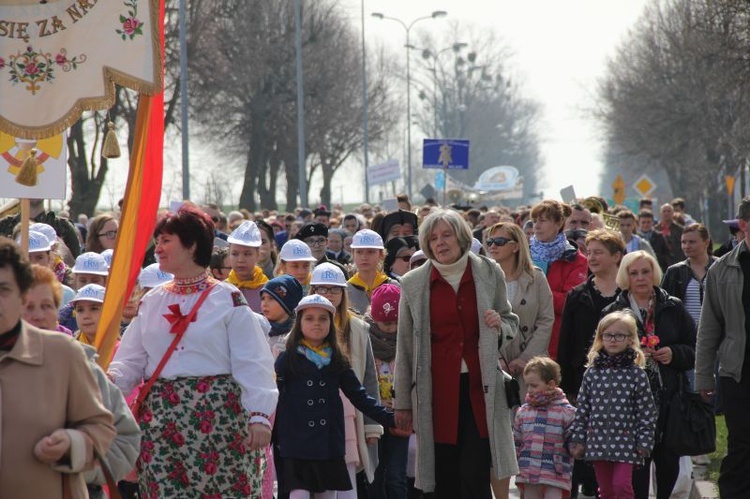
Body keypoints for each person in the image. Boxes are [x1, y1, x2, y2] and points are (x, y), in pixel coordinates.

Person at [108, 204, 278, 497]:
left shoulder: (227, 298)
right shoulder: (153, 302)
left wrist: (260, 415)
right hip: (162, 426)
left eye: (166, 241)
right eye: (158, 240)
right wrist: (104, 384)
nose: (158, 248)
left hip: (220, 422)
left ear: (192, 245)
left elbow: (252, 360)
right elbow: (131, 361)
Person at [394, 209, 519, 498]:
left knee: (475, 476)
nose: (440, 242)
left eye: (447, 235)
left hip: (480, 391)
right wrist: (402, 403)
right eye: (433, 237)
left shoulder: (489, 271)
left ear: (462, 237)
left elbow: (511, 320)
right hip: (435, 393)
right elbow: (405, 346)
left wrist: (500, 326)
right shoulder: (413, 283)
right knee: (443, 477)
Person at [0, 237, 115, 498]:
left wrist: (71, 445)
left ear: (21, 294)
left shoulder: (62, 354)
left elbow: (101, 428)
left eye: (4, 289)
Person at [274, 294, 395, 499]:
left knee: (327, 495)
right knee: (298, 495)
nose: (317, 324)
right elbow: (274, 396)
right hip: (296, 442)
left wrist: (391, 418)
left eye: (323, 318)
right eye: (309, 318)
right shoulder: (287, 358)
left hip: (328, 442)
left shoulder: (337, 359)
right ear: (299, 323)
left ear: (331, 322)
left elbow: (359, 396)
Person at [602, 251, 696, 499]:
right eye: (634, 273)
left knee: (667, 463)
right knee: (636, 470)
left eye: (645, 271)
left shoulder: (672, 306)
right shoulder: (614, 310)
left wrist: (674, 353)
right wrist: (630, 355)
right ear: (625, 277)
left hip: (669, 399)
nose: (641, 278)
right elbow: (599, 355)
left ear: (654, 273)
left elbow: (696, 346)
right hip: (629, 405)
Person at [311, 262, 383, 496]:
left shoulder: (358, 328)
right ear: (312, 292)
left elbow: (369, 378)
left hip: (349, 415)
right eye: (322, 289)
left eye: (334, 289)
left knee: (347, 484)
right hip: (312, 415)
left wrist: (372, 426)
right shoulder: (304, 326)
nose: (328, 295)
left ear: (343, 293)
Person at [695, 196, 750, 498]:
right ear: (743, 225)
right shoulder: (722, 270)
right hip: (737, 372)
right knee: (741, 444)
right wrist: (703, 378)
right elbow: (709, 330)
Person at [570, 311, 657, 499]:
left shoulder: (636, 375)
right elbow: (583, 409)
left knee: (621, 486)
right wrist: (578, 439)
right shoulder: (592, 373)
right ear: (600, 338)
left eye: (620, 335)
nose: (613, 340)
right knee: (605, 490)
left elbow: (647, 411)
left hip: (626, 441)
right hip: (597, 440)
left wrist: (644, 441)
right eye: (608, 335)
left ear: (630, 339)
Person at [487, 222, 554, 392]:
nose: (493, 246)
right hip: (496, 363)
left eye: (500, 241)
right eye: (489, 242)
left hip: (531, 365)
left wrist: (526, 358)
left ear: (516, 246)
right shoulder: (483, 280)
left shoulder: (536, 277)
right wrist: (497, 359)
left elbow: (546, 320)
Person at [529, 200, 588, 360]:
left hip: (556, 340)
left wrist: (535, 292)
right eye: (535, 221)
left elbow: (569, 302)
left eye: (543, 220)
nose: (537, 226)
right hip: (523, 338)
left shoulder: (576, 259)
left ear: (559, 223)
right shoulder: (523, 255)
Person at [367, 284, 411, 499]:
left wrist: (404, 402)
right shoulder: (365, 340)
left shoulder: (409, 341)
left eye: (396, 322)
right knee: (374, 474)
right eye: (386, 323)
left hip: (399, 418)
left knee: (396, 475)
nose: (392, 328)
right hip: (374, 418)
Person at [513, 357, 576, 499]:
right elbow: (516, 441)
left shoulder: (567, 412)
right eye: (527, 385)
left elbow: (574, 443)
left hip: (555, 473)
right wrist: (514, 465)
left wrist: (578, 446)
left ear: (551, 384)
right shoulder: (523, 412)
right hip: (528, 472)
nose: (529, 390)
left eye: (534, 386)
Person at [347, 229, 397, 315]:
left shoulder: (394, 287)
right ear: (353, 254)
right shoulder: (346, 290)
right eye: (359, 252)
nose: (364, 257)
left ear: (381, 254)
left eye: (370, 252)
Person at [226, 220, 268, 312]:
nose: (240, 260)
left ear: (258, 255)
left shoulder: (268, 290)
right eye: (235, 254)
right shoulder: (222, 289)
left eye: (247, 254)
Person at [261, 274, 304, 358]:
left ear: (287, 304)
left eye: (271, 298)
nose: (264, 304)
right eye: (262, 298)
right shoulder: (256, 327)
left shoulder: (298, 333)